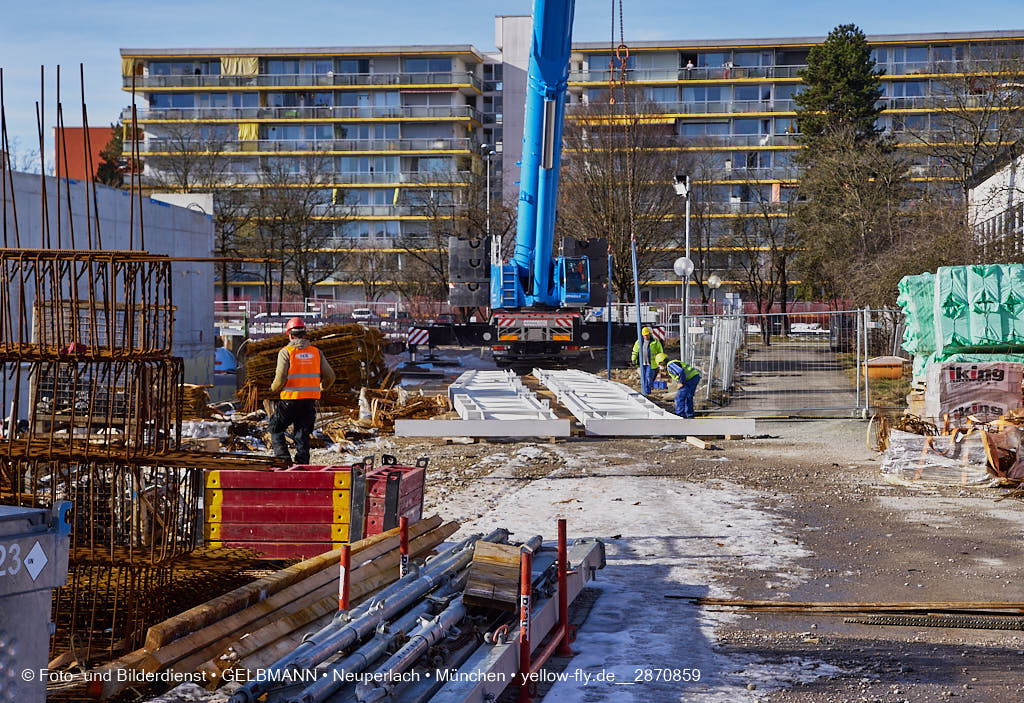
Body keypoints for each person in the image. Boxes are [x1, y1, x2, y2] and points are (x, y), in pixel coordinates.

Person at [268, 317, 336, 465]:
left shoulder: (286, 352)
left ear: (290, 335)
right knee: (302, 434)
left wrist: (273, 389)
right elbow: (330, 376)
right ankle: (302, 466)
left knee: (275, 427)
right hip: (309, 401)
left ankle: (283, 461)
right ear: (304, 334)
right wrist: (321, 388)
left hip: (289, 400)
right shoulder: (316, 352)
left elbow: (280, 379)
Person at [655, 353, 701, 419]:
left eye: (659, 365)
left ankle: (680, 415)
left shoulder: (670, 365)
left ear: (661, 362)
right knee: (688, 397)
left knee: (679, 397)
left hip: (690, 379)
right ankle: (689, 416)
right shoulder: (672, 364)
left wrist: (680, 382)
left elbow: (680, 371)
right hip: (693, 377)